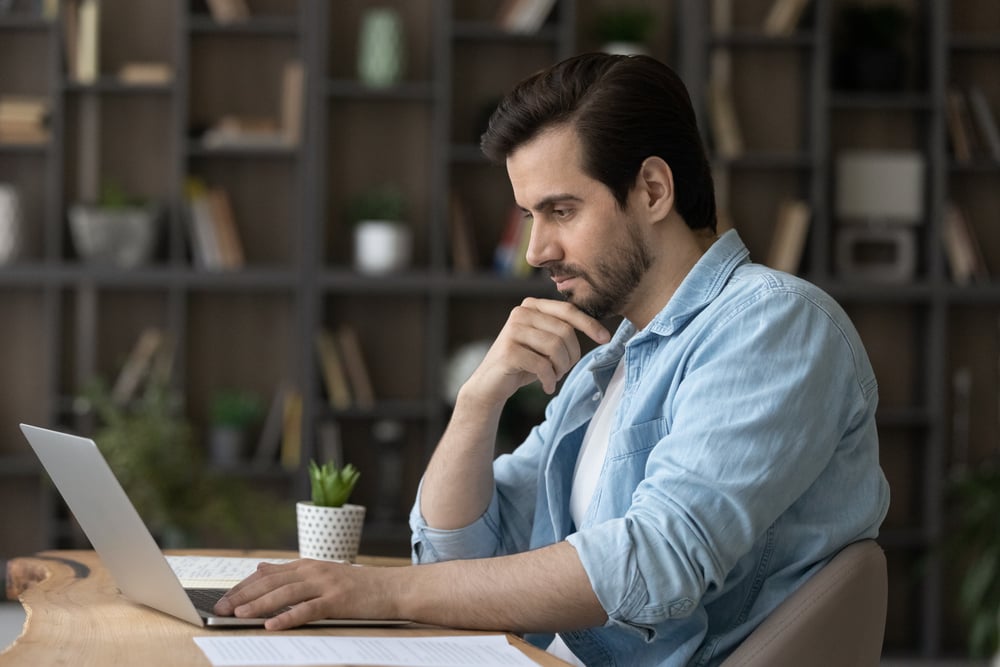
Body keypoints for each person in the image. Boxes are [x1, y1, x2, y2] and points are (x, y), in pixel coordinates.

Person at [214, 53, 890, 666]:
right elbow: (463, 554)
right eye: (529, 215)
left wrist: (378, 589)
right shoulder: (611, 356)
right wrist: (480, 398)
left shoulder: (772, 325)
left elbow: (652, 564)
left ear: (653, 190)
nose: (535, 250)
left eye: (560, 210)